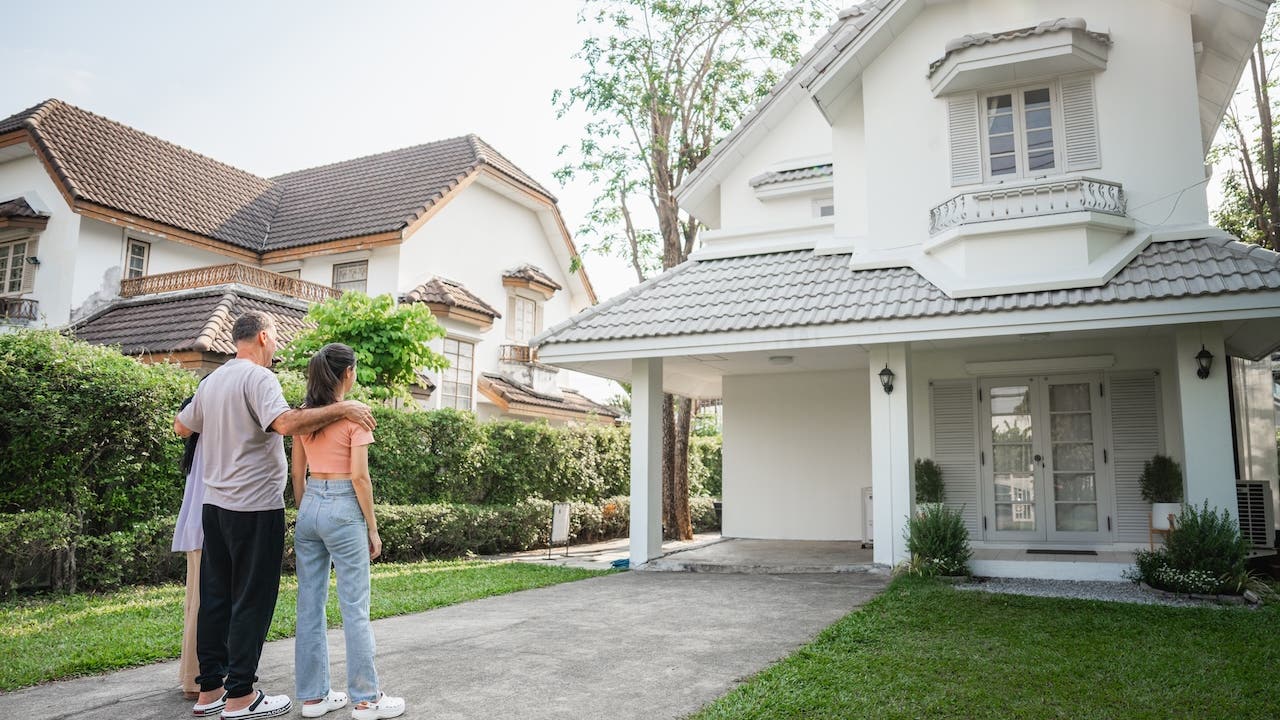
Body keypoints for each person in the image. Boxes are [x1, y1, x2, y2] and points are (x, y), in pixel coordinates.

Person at [175, 312, 375, 720]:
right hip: (253, 506)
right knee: (251, 599)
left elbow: (182, 426)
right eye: (277, 338)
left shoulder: (212, 380)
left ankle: (208, 690)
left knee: (215, 598)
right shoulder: (259, 378)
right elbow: (285, 423)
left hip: (213, 506)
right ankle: (241, 697)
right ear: (264, 336)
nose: (278, 347)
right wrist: (345, 408)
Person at [291, 343, 405, 720]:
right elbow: (360, 477)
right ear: (348, 374)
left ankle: (313, 698)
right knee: (354, 607)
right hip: (344, 506)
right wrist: (372, 529)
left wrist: (310, 510)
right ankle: (366, 700)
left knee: (310, 606)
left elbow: (296, 475)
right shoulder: (356, 417)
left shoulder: (304, 415)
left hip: (310, 505)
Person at [172, 393, 205, 700]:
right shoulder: (208, 440)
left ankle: (194, 677)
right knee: (201, 603)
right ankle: (196, 680)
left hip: (201, 528)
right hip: (208, 529)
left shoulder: (200, 441)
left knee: (197, 601)